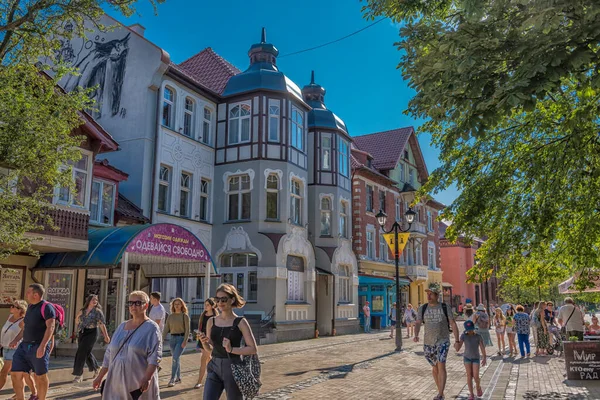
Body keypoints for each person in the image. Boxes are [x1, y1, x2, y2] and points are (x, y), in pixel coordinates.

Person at [92, 291, 161, 399]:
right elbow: (109, 353)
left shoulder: (152, 328)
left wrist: (147, 378)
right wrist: (100, 377)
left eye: (138, 303)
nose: (133, 306)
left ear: (146, 306)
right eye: (130, 303)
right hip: (116, 382)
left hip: (138, 384)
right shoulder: (122, 326)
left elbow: (154, 356)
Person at [199, 283, 258, 400]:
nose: (220, 302)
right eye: (217, 299)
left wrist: (231, 349)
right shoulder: (212, 321)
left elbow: (253, 348)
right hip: (214, 366)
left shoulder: (241, 322)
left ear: (232, 300)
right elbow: (210, 349)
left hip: (233, 367)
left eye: (224, 299)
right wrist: (204, 342)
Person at [414, 282, 460, 400]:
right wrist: (416, 334)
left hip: (443, 340)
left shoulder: (444, 307)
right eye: (428, 294)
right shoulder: (422, 308)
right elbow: (418, 322)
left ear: (437, 295)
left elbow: (453, 323)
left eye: (431, 294)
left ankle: (440, 394)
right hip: (428, 342)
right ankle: (441, 390)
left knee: (441, 365)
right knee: (434, 367)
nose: (429, 296)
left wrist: (457, 340)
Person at [10, 284, 55, 400]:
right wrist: (15, 340)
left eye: (29, 292)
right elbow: (25, 327)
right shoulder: (30, 307)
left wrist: (43, 346)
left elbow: (51, 327)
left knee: (40, 376)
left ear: (36, 295)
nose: (26, 294)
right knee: (15, 373)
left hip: (38, 345)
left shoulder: (47, 307)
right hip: (24, 345)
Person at [0, 300, 37, 398]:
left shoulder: (23, 320)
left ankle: (30, 394)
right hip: (6, 348)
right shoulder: (10, 317)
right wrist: (2, 342)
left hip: (16, 349)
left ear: (20, 310)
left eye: (14, 306)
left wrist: (15, 341)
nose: (11, 307)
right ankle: (24, 393)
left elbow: (23, 334)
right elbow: (5, 332)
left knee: (6, 371)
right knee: (19, 375)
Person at [72, 294, 110, 383]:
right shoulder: (83, 310)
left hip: (92, 332)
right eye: (93, 299)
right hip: (82, 332)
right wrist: (78, 316)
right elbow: (77, 321)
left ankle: (78, 374)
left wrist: (106, 335)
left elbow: (101, 324)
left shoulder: (97, 312)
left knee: (81, 352)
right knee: (85, 352)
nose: (95, 301)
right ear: (88, 300)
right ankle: (96, 368)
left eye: (96, 300)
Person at [163, 297, 190, 387]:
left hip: (181, 339)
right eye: (175, 304)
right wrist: (161, 339)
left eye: (179, 304)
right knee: (176, 358)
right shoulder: (170, 316)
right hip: (172, 340)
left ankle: (172, 379)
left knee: (174, 358)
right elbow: (166, 328)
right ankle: (178, 377)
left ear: (182, 305)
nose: (177, 306)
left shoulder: (184, 316)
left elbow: (187, 330)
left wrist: (185, 341)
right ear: (173, 306)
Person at [456, 320, 487, 400]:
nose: (470, 331)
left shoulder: (478, 336)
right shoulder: (463, 336)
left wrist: (484, 357)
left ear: (473, 328)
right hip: (467, 357)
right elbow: (458, 348)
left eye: (471, 329)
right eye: (468, 329)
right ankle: (471, 394)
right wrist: (456, 343)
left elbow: (482, 347)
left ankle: (478, 387)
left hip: (476, 358)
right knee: (469, 375)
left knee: (476, 376)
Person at [195, 298, 218, 389]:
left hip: (210, 341)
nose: (205, 306)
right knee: (209, 359)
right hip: (202, 340)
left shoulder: (216, 316)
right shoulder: (203, 315)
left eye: (207, 305)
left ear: (212, 306)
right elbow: (200, 327)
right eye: (205, 304)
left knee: (203, 360)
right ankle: (213, 377)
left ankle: (199, 381)